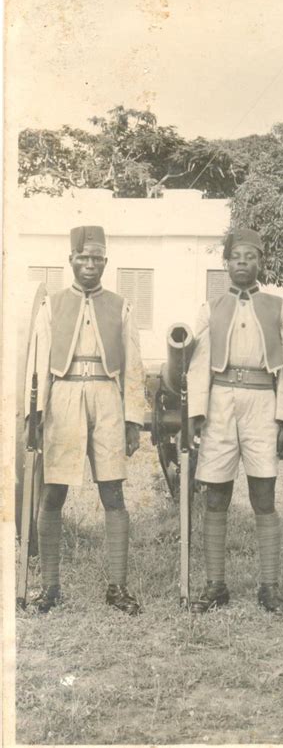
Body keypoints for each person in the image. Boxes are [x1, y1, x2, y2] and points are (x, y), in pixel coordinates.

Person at [25, 226, 145, 615]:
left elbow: (134, 366)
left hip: (107, 397)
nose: (90, 265)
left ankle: (118, 587)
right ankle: (50, 588)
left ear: (105, 262)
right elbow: (39, 365)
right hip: (63, 396)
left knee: (113, 492)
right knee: (53, 493)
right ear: (71, 260)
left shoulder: (121, 305)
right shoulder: (53, 305)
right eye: (83, 258)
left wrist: (133, 420)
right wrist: (36, 415)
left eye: (97, 258)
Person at [187, 228, 283, 615]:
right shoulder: (210, 307)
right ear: (226, 262)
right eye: (236, 256)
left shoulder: (279, 307)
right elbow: (198, 364)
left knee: (263, 495)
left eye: (250, 256)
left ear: (260, 263)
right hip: (220, 402)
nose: (242, 262)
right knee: (216, 495)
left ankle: (269, 587)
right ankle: (215, 585)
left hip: (261, 404)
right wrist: (195, 414)